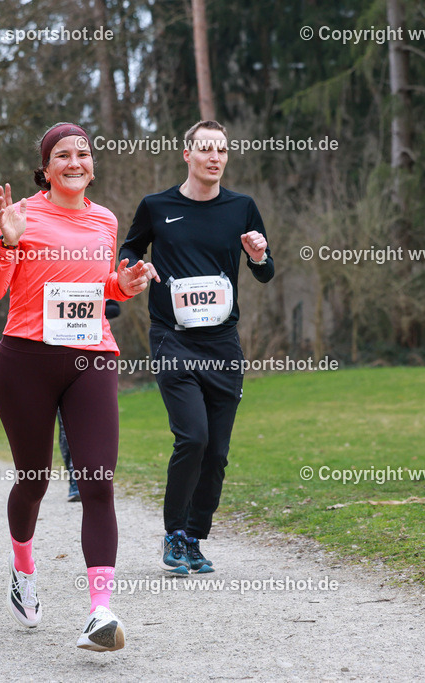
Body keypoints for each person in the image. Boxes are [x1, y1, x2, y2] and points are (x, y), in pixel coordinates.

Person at [0, 122, 152, 652]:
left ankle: (100, 611)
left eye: (84, 153)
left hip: (90, 358)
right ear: (46, 168)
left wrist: (124, 284)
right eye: (63, 155)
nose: (75, 161)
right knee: (34, 481)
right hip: (25, 361)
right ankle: (22, 567)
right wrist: (6, 243)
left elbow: (99, 290)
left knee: (98, 480)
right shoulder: (20, 216)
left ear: (91, 164)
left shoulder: (105, 221)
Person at [119, 119, 274, 575]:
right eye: (205, 148)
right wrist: (135, 269)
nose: (214, 157)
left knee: (218, 451)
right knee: (193, 436)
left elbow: (265, 273)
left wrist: (260, 255)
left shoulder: (242, 208)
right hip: (173, 338)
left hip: (223, 342)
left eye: (222, 150)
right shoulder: (157, 205)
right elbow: (128, 250)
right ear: (187, 154)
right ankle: (172, 532)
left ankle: (193, 537)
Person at [57, 299, 120, 502]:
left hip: (91, 354)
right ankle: (75, 480)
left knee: (94, 424)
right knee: (66, 426)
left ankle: (96, 478)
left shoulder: (96, 268)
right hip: (53, 354)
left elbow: (114, 307)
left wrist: (89, 306)